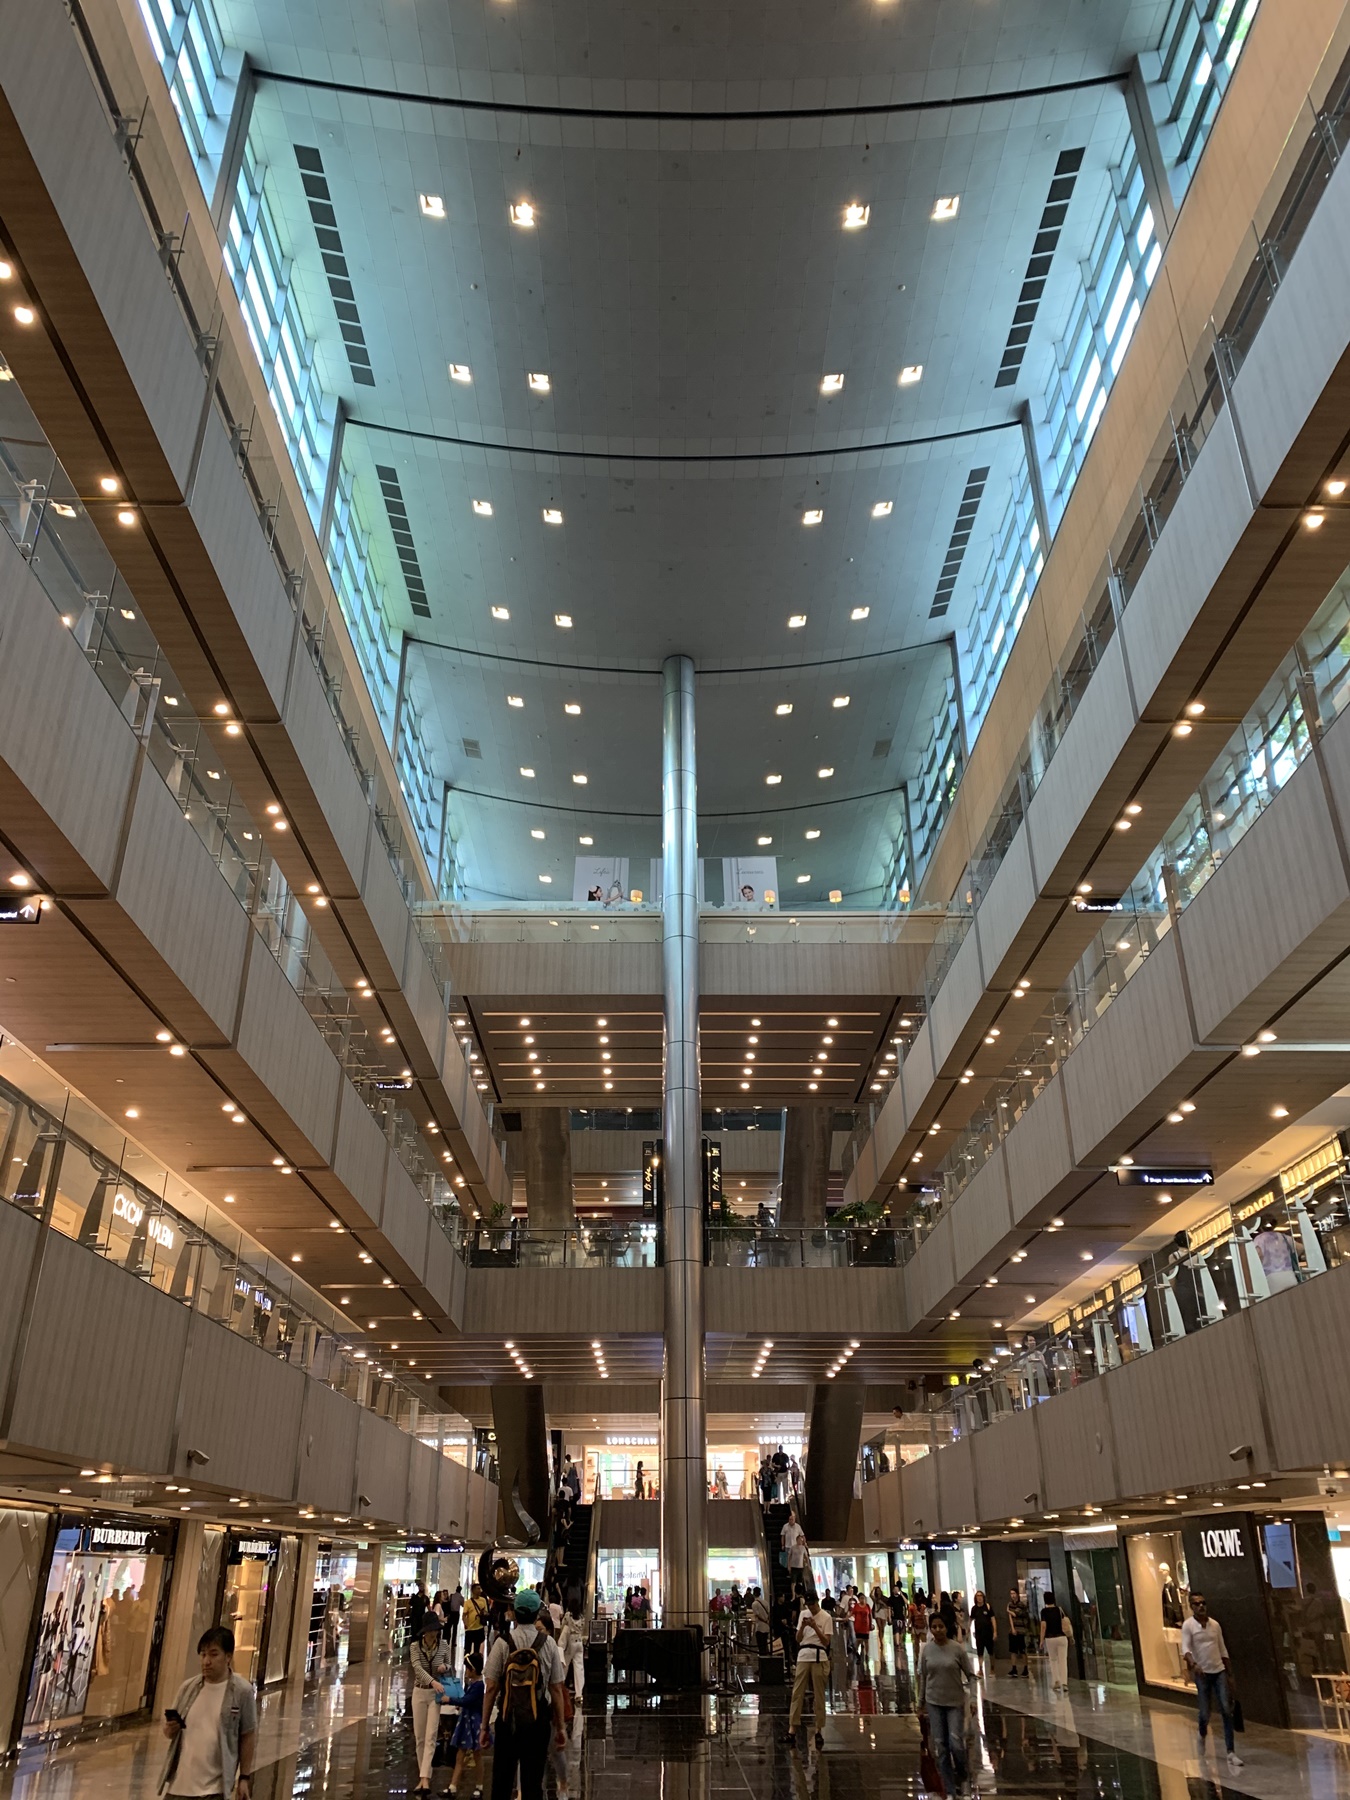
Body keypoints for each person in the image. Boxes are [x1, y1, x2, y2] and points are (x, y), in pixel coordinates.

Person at [480, 1590, 567, 1800]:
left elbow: (491, 1687)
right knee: (533, 1783)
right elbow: (556, 1688)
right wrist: (561, 1727)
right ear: (537, 1614)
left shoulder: (502, 1643)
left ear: (514, 1613)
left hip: (507, 1719)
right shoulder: (549, 1643)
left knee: (501, 1782)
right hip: (538, 1721)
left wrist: (484, 1727)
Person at [161, 1625, 257, 1800]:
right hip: (179, 1786)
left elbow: (248, 1735)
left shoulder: (242, 1692)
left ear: (228, 1657)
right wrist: (170, 1729)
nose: (206, 1661)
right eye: (203, 1655)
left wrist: (244, 1778)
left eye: (213, 1654)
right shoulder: (188, 1688)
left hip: (213, 1790)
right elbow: (168, 1732)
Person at [1181, 1592, 1244, 1771]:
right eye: (1197, 1604)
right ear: (1191, 1607)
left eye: (1203, 1603)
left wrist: (1230, 1674)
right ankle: (1201, 1734)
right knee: (1204, 1713)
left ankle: (1230, 1751)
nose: (1201, 1606)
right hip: (1202, 1674)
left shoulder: (1215, 1625)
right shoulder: (1188, 1625)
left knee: (1226, 1709)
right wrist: (1194, 1664)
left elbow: (1222, 1649)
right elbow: (1185, 1649)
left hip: (1219, 1671)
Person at [917, 1615, 977, 1798]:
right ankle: (949, 1790)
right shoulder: (926, 1650)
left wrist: (973, 1699)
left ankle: (963, 1777)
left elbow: (971, 1675)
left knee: (956, 1743)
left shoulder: (957, 1649)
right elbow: (923, 1678)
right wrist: (920, 1703)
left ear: (946, 1627)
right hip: (934, 1702)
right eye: (934, 1627)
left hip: (954, 1702)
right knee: (941, 1747)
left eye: (940, 1626)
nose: (937, 1630)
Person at [410, 1615, 454, 1796]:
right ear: (425, 1631)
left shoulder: (444, 1645)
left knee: (431, 1736)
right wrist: (432, 1682)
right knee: (420, 1737)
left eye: (436, 1629)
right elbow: (417, 1668)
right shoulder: (415, 1647)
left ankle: (425, 1779)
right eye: (431, 1630)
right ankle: (423, 1776)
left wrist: (445, 1667)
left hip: (436, 1695)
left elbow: (449, 1665)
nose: (434, 1633)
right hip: (419, 1692)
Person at [787, 1591, 832, 1749]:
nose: (811, 1608)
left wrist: (815, 1627)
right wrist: (803, 1626)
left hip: (819, 1655)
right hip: (804, 1655)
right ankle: (792, 1729)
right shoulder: (803, 1614)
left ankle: (819, 1729)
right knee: (797, 1692)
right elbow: (798, 1638)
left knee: (819, 1694)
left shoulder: (826, 1617)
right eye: (808, 1605)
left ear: (817, 1602)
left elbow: (826, 1641)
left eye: (812, 1604)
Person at [449, 1652, 486, 1797]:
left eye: (468, 1669)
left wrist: (450, 1700)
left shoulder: (478, 1686)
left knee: (476, 1754)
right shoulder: (474, 1684)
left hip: (473, 1722)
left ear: (473, 1670)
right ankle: (453, 1786)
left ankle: (478, 1785)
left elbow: (467, 1700)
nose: (466, 1671)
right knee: (461, 1754)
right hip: (468, 1720)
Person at [1038, 1590, 1070, 1692]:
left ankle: (1056, 1681)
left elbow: (1043, 1626)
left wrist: (1041, 1640)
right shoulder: (1059, 1610)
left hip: (1050, 1638)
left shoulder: (1044, 1612)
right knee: (1063, 1660)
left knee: (1053, 1660)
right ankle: (1064, 1683)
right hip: (1062, 1637)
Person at [560, 1604, 586, 1698]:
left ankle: (561, 1686)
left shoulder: (568, 1615)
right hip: (579, 1641)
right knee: (579, 1667)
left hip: (570, 1641)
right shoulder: (581, 1617)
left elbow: (563, 1625)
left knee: (565, 1664)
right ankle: (579, 1693)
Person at [970, 1590, 996, 1674]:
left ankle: (992, 1668)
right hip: (979, 1633)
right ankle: (980, 1669)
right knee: (980, 1652)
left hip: (988, 1633)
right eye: (977, 1596)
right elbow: (971, 1619)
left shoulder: (987, 1607)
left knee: (991, 1651)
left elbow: (993, 1619)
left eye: (981, 1596)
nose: (979, 1598)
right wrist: (967, 1630)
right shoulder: (974, 1609)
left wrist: (995, 1631)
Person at [1006, 1587, 1030, 1677]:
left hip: (1021, 1630)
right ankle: (1014, 1669)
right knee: (1013, 1651)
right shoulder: (1010, 1604)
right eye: (1011, 1594)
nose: (1012, 1595)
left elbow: (1015, 1614)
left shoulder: (1021, 1604)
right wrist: (1012, 1628)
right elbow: (1010, 1617)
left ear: (1017, 1594)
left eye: (1014, 1593)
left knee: (1022, 1650)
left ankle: (1026, 1669)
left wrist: (1008, 1611)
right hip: (1013, 1629)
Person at [781, 1508, 808, 1584]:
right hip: (788, 1546)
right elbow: (782, 1536)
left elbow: (802, 1535)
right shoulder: (785, 1526)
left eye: (792, 1519)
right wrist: (782, 1544)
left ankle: (795, 1574)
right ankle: (789, 1573)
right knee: (788, 1559)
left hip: (796, 1546)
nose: (790, 1521)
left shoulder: (798, 1527)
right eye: (789, 1519)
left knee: (796, 1559)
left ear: (794, 1520)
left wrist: (804, 1543)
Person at [850, 1591, 874, 1677]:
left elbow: (870, 1616)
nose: (862, 1600)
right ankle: (857, 1654)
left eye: (863, 1598)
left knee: (866, 1641)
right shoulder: (856, 1606)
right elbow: (851, 1614)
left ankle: (866, 1655)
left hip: (866, 1627)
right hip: (858, 1627)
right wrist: (846, 1619)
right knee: (858, 1641)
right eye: (861, 1598)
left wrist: (871, 1624)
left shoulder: (867, 1606)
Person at [463, 1584, 488, 1663]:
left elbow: (486, 1612)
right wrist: (465, 1624)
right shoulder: (467, 1602)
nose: (480, 1590)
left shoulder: (483, 1600)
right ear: (473, 1590)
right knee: (467, 1648)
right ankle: (466, 1662)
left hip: (479, 1628)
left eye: (480, 1588)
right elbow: (464, 1615)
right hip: (470, 1629)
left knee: (477, 1648)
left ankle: (475, 1664)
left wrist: (483, 1613)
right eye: (478, 1589)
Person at [749, 1586, 771, 1655]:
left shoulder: (754, 1604)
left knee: (760, 1646)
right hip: (766, 1626)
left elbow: (757, 1615)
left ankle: (762, 1658)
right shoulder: (765, 1602)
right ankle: (766, 1657)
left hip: (759, 1626)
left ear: (754, 1593)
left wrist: (763, 1620)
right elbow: (769, 1613)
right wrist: (766, 1620)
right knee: (765, 1644)